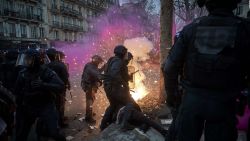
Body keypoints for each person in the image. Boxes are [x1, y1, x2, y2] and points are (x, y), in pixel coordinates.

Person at [163, 0, 250, 140]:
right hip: (224, 104)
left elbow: (169, 68)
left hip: (191, 101)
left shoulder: (190, 29)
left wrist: (172, 97)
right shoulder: (245, 30)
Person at [14, 49, 66, 141]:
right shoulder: (22, 73)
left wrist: (43, 85)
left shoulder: (46, 72)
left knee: (54, 132)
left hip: (45, 105)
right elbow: (17, 91)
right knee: (21, 134)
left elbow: (60, 86)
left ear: (36, 60)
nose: (26, 61)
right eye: (25, 59)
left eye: (28, 59)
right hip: (28, 106)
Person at [100, 45, 140, 131]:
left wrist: (128, 77)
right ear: (123, 53)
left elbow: (118, 74)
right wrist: (124, 84)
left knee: (113, 105)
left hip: (109, 87)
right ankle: (125, 124)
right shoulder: (118, 61)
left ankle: (103, 125)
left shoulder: (112, 60)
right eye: (125, 53)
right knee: (130, 103)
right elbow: (115, 74)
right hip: (115, 88)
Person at [46, 48, 70, 127]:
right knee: (60, 105)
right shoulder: (61, 65)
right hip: (60, 89)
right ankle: (60, 122)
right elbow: (66, 76)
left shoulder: (47, 65)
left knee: (52, 105)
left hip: (49, 89)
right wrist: (67, 85)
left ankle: (51, 122)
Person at [81, 55, 104, 124]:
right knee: (89, 101)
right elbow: (97, 74)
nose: (99, 63)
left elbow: (97, 71)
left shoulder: (92, 65)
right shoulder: (90, 66)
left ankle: (89, 113)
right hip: (88, 85)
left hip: (90, 85)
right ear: (96, 60)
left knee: (92, 99)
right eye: (99, 62)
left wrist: (103, 67)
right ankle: (88, 117)